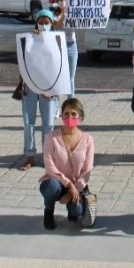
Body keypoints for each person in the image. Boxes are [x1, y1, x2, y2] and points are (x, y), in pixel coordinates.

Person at [39, 98, 94, 230]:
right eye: (66, 114)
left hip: (76, 185)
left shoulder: (88, 139)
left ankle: (72, 211)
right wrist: (68, 184)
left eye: (73, 114)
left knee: (77, 210)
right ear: (62, 116)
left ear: (80, 116)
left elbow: (87, 170)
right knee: (51, 186)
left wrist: (72, 191)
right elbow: (49, 166)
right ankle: (48, 211)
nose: (70, 117)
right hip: (56, 182)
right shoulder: (51, 137)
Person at [19, 9, 59, 171]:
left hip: (48, 88)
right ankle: (30, 155)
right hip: (30, 85)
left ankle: (47, 156)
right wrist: (32, 39)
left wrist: (53, 89)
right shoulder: (30, 39)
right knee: (28, 122)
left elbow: (59, 67)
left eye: (46, 23)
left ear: (51, 24)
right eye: (41, 23)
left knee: (48, 124)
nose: (43, 26)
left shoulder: (57, 41)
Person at [52, 0, 78, 97]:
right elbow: (56, 26)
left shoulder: (73, 13)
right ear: (57, 2)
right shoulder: (54, 14)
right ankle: (55, 104)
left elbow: (83, 23)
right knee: (58, 76)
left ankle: (71, 101)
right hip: (58, 47)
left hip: (71, 46)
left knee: (70, 77)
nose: (63, 1)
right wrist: (63, 14)